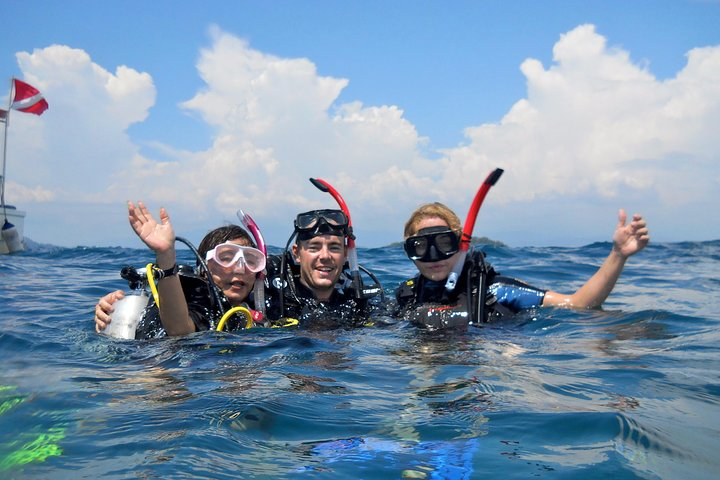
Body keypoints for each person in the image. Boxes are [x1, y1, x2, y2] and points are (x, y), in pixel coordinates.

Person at [395, 202, 650, 329]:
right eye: (420, 247)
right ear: (409, 251)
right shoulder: (405, 296)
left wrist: (618, 255)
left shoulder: (495, 291)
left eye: (443, 242)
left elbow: (579, 304)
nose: (434, 255)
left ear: (461, 244)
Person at [95, 201, 266, 338]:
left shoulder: (260, 304)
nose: (240, 268)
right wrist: (165, 256)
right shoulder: (196, 295)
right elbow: (180, 331)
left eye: (251, 260)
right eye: (227, 258)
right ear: (204, 269)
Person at [263, 208, 378, 328]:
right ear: (297, 254)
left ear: (345, 254)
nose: (325, 256)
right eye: (314, 248)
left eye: (334, 248)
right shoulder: (274, 299)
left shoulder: (357, 302)